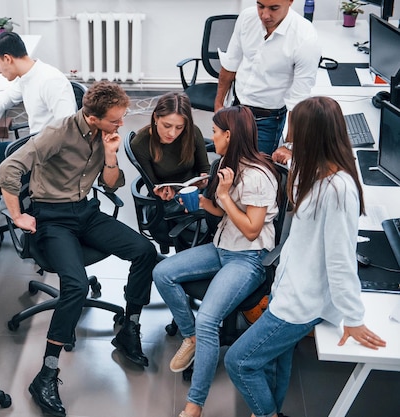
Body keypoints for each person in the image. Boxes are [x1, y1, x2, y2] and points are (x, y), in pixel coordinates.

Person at [0, 80, 157, 417]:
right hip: (52, 218)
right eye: (115, 119)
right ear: (93, 117)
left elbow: (111, 184)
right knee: (76, 285)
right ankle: (46, 375)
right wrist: (17, 215)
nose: (121, 124)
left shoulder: (104, 136)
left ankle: (130, 328)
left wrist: (111, 155)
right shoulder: (58, 133)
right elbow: (8, 169)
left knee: (144, 250)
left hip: (85, 211)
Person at [224, 96, 387, 417]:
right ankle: (273, 409)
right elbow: (296, 161)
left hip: (299, 304)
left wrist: (353, 319)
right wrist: (288, 154)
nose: (287, 134)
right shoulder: (315, 166)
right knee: (275, 359)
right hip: (288, 284)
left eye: (293, 130)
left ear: (311, 137)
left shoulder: (339, 192)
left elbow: (340, 263)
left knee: (239, 361)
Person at [152, 105, 280, 417]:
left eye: (214, 132)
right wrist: (191, 196)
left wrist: (222, 196)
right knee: (162, 272)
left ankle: (194, 405)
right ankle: (191, 336)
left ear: (229, 135)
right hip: (222, 246)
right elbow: (224, 215)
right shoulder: (227, 162)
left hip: (247, 258)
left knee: (209, 319)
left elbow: (251, 230)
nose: (211, 137)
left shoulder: (259, 177)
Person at [0, 31, 76, 260]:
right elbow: (9, 96)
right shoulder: (26, 75)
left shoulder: (51, 81)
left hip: (46, 158)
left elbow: (68, 131)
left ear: (8, 58)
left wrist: (30, 155)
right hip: (29, 146)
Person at [214, 0, 320, 155]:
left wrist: (289, 144)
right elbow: (230, 63)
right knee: (229, 162)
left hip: (266, 120)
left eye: (274, 8)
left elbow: (298, 100)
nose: (264, 15)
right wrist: (218, 105)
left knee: (256, 172)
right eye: (260, 6)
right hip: (235, 108)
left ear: (290, 2)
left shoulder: (305, 37)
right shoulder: (247, 18)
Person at [130, 92, 211, 250]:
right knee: (214, 224)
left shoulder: (192, 132)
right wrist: (162, 191)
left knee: (222, 214)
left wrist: (203, 178)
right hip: (168, 202)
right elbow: (152, 185)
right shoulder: (141, 143)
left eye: (179, 127)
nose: (172, 133)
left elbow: (204, 168)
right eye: (167, 126)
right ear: (155, 117)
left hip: (195, 192)